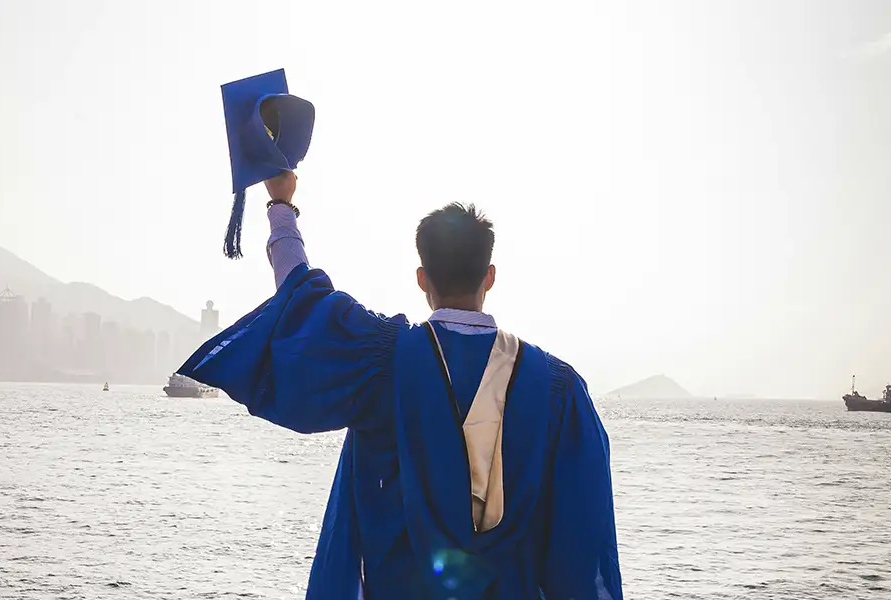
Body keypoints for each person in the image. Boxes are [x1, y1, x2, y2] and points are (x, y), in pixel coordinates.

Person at [180, 171, 623, 599]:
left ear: (422, 278)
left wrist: (281, 204)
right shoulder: (557, 389)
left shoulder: (383, 362)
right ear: (489, 276)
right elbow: (583, 541)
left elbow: (301, 308)